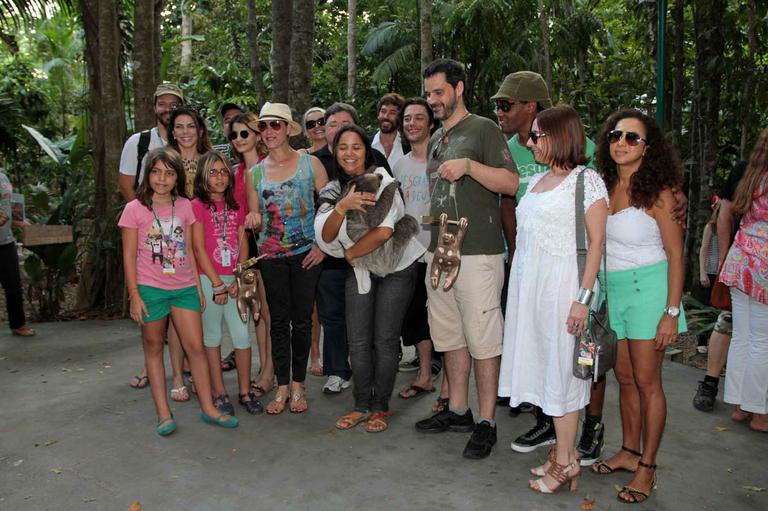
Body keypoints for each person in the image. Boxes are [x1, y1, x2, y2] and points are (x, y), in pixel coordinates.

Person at [499, 105, 608, 493]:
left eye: (537, 136)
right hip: (531, 291)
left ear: (560, 136)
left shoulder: (587, 180)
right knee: (548, 370)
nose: (530, 143)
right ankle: (564, 454)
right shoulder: (542, 178)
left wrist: (583, 299)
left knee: (563, 376)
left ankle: (566, 462)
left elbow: (596, 244)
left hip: (563, 291)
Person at [413, 59, 518, 461]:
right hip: (441, 252)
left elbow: (510, 183)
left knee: (483, 340)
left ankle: (487, 421)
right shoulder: (439, 136)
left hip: (478, 254)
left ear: (458, 88)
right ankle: (458, 410)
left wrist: (471, 166)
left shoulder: (484, 129)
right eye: (428, 94)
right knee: (450, 336)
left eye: (439, 92)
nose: (432, 100)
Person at [591, 109, 686, 504]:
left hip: (649, 291)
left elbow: (676, 255)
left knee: (648, 382)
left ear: (649, 148)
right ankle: (629, 452)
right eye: (616, 135)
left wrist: (672, 311)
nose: (621, 143)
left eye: (633, 138)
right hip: (615, 293)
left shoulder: (661, 194)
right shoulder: (602, 185)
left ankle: (648, 467)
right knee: (625, 378)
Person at [119, 146, 238, 435]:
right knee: (154, 346)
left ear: (178, 177)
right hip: (150, 288)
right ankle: (163, 412)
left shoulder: (186, 206)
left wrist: (198, 287)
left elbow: (195, 249)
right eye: (156, 172)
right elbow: (129, 255)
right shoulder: (134, 209)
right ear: (147, 175)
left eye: (169, 173)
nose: (162, 179)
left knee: (196, 348)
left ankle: (209, 408)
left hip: (184, 286)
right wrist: (134, 294)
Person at [315, 124, 424, 433]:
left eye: (356, 147)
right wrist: (341, 207)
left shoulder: (384, 182)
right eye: (343, 147)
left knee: (385, 339)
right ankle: (361, 404)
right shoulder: (333, 189)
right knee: (358, 339)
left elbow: (385, 231)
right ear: (335, 153)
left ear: (367, 151)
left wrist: (349, 256)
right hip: (362, 269)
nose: (350, 153)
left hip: (396, 265)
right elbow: (325, 236)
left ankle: (380, 407)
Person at [248, 102, 328, 414]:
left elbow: (330, 207)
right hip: (270, 256)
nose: (268, 132)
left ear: (287, 129)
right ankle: (281, 388)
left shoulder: (310, 165)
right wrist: (253, 216)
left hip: (306, 253)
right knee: (278, 322)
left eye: (275, 125)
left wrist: (323, 246)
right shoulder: (255, 173)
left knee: (302, 320)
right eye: (263, 126)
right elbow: (254, 211)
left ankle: (298, 386)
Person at [118, 82, 184, 390]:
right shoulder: (139, 142)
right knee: (154, 307)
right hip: (149, 233)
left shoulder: (186, 137)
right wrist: (147, 219)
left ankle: (181, 369)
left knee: (182, 306)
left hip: (182, 232)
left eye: (174, 104)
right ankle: (151, 365)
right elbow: (126, 185)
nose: (168, 109)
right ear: (154, 106)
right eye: (163, 104)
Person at [191, 151, 262, 415]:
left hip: (235, 279)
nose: (219, 177)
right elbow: (198, 248)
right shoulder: (196, 206)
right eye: (213, 172)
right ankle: (219, 392)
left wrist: (238, 274)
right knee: (211, 336)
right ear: (203, 176)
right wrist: (217, 283)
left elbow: (243, 242)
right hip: (209, 279)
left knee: (242, 336)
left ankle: (244, 391)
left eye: (223, 172)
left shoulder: (236, 205)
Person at [391, 97, 443, 401]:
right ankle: (424, 375)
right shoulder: (399, 164)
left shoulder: (441, 162)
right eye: (407, 119)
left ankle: (450, 387)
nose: (411, 123)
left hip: (438, 251)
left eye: (418, 118)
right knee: (413, 318)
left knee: (443, 318)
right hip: (407, 252)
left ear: (431, 123)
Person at [719, 127, 768, 433]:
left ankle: (739, 404)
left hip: (741, 256)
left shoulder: (747, 172)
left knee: (743, 335)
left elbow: (727, 213)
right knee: (762, 341)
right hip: (764, 263)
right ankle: (759, 412)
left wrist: (725, 256)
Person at [692, 161, 746, 412]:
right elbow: (726, 209)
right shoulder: (745, 169)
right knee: (726, 322)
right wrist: (725, 259)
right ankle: (710, 382)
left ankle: (749, 399)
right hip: (744, 262)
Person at [227, 111, 273, 396]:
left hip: (270, 243)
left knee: (269, 311)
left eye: (245, 133)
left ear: (257, 134)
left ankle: (270, 370)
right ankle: (264, 366)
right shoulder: (233, 173)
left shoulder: (270, 166)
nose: (240, 139)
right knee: (257, 311)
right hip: (245, 246)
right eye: (234, 135)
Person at [0, 170, 35, 337]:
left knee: (13, 285)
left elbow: (10, 204)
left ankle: (18, 324)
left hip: (6, 241)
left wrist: (21, 222)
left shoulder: (3, 177)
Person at [167, 106, 213, 196]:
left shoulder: (211, 162)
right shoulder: (164, 161)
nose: (185, 131)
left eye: (191, 126)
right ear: (173, 132)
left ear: (200, 131)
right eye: (179, 127)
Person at [372, 93, 408, 169]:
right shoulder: (366, 145)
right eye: (383, 111)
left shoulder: (408, 147)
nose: (386, 116)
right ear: (378, 114)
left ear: (400, 117)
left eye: (392, 113)